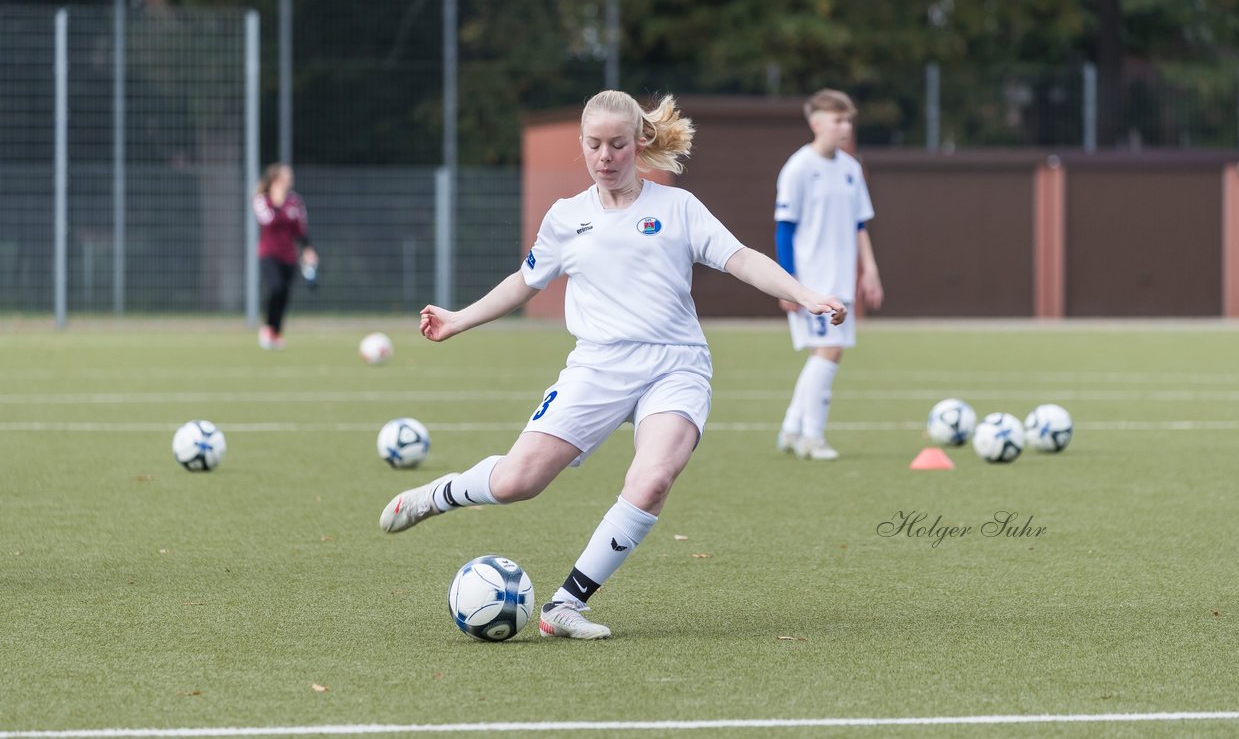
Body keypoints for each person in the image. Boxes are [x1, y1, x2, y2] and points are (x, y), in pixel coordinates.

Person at [379, 90, 846, 640]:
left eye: (618, 144)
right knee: (515, 483)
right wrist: (459, 319)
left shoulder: (678, 207)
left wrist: (804, 292)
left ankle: (564, 607)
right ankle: (435, 496)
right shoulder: (566, 218)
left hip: (677, 366)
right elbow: (525, 282)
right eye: (595, 145)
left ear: (639, 142)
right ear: (582, 145)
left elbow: (740, 257)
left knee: (652, 480)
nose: (606, 156)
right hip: (597, 367)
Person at [773, 88, 884, 461]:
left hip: (842, 281)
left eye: (849, 119)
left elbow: (859, 226)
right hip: (812, 284)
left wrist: (870, 270)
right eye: (838, 119)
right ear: (816, 123)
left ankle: (791, 428)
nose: (845, 126)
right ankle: (811, 437)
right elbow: (784, 229)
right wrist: (788, 285)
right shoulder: (798, 168)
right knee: (829, 351)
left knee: (826, 354)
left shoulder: (852, 169)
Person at [252, 162, 318, 349]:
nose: (291, 178)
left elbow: (300, 229)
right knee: (275, 288)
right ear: (276, 178)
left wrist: (308, 250)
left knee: (285, 295)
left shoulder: (295, 200)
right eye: (287, 175)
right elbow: (268, 221)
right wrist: (278, 203)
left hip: (289, 255)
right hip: (269, 254)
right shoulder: (261, 199)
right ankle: (268, 329)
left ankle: (277, 333)